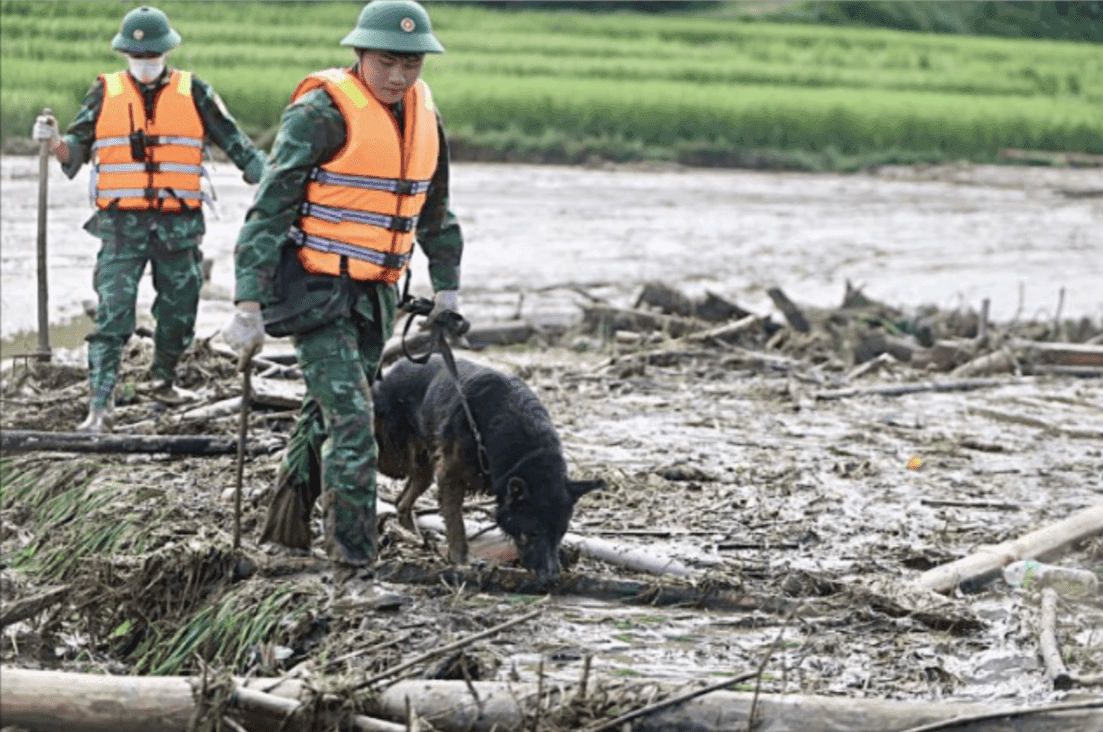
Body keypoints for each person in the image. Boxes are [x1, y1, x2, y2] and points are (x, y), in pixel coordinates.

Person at [221, 0, 464, 573]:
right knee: (354, 420)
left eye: (412, 64)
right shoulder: (319, 113)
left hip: (376, 295)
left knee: (323, 410)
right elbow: (269, 210)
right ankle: (353, 567)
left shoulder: (425, 117)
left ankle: (283, 529)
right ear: (359, 54)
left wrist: (447, 289)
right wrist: (247, 304)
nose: (399, 76)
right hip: (314, 291)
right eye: (387, 63)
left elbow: (435, 212)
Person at [32, 5, 269, 433]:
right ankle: (100, 405)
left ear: (166, 52)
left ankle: (164, 381)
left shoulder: (194, 91)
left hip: (179, 227)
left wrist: (272, 180)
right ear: (125, 54)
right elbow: (74, 149)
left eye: (152, 55)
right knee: (113, 313)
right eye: (137, 56)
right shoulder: (105, 92)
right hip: (121, 227)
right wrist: (53, 143)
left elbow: (238, 145)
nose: (145, 63)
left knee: (180, 311)